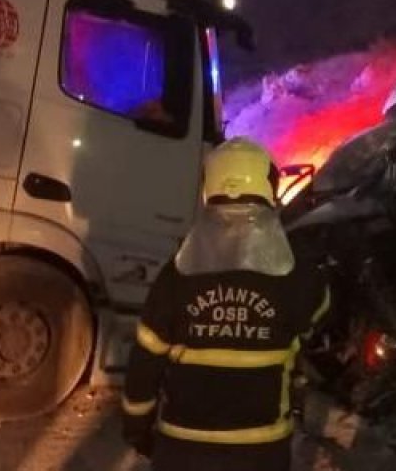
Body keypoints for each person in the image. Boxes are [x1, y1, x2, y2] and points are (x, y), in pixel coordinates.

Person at [121, 138, 330, 471]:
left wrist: (137, 430)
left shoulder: (174, 276)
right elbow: (318, 314)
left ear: (208, 189)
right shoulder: (297, 275)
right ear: (268, 187)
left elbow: (144, 364)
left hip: (181, 450)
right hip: (262, 452)